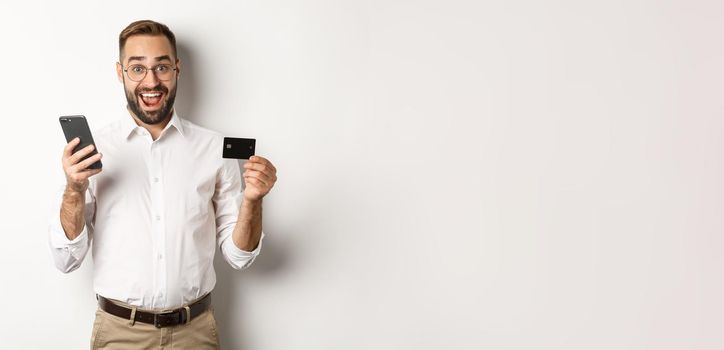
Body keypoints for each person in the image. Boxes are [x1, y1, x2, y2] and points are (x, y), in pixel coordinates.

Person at [47, 19, 277, 349]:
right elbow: (66, 260)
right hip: (119, 334)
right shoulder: (92, 151)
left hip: (194, 333)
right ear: (120, 72)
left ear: (177, 70)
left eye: (162, 67)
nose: (151, 81)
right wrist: (73, 190)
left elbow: (239, 256)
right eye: (137, 68)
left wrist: (253, 200)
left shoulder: (214, 149)